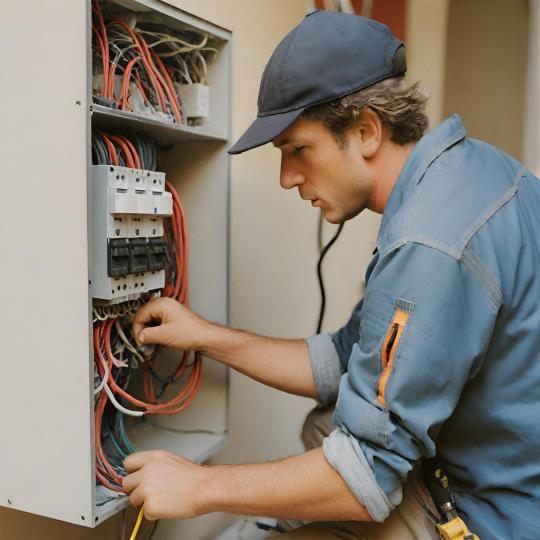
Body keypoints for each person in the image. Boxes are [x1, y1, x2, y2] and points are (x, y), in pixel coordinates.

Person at [122, 10, 540, 539]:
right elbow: (344, 358)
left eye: (299, 150)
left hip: (492, 514)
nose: (286, 177)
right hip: (492, 464)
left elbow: (364, 474)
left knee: (323, 471)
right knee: (326, 420)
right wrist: (205, 336)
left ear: (366, 130)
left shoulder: (429, 242)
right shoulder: (464, 173)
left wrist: (199, 486)